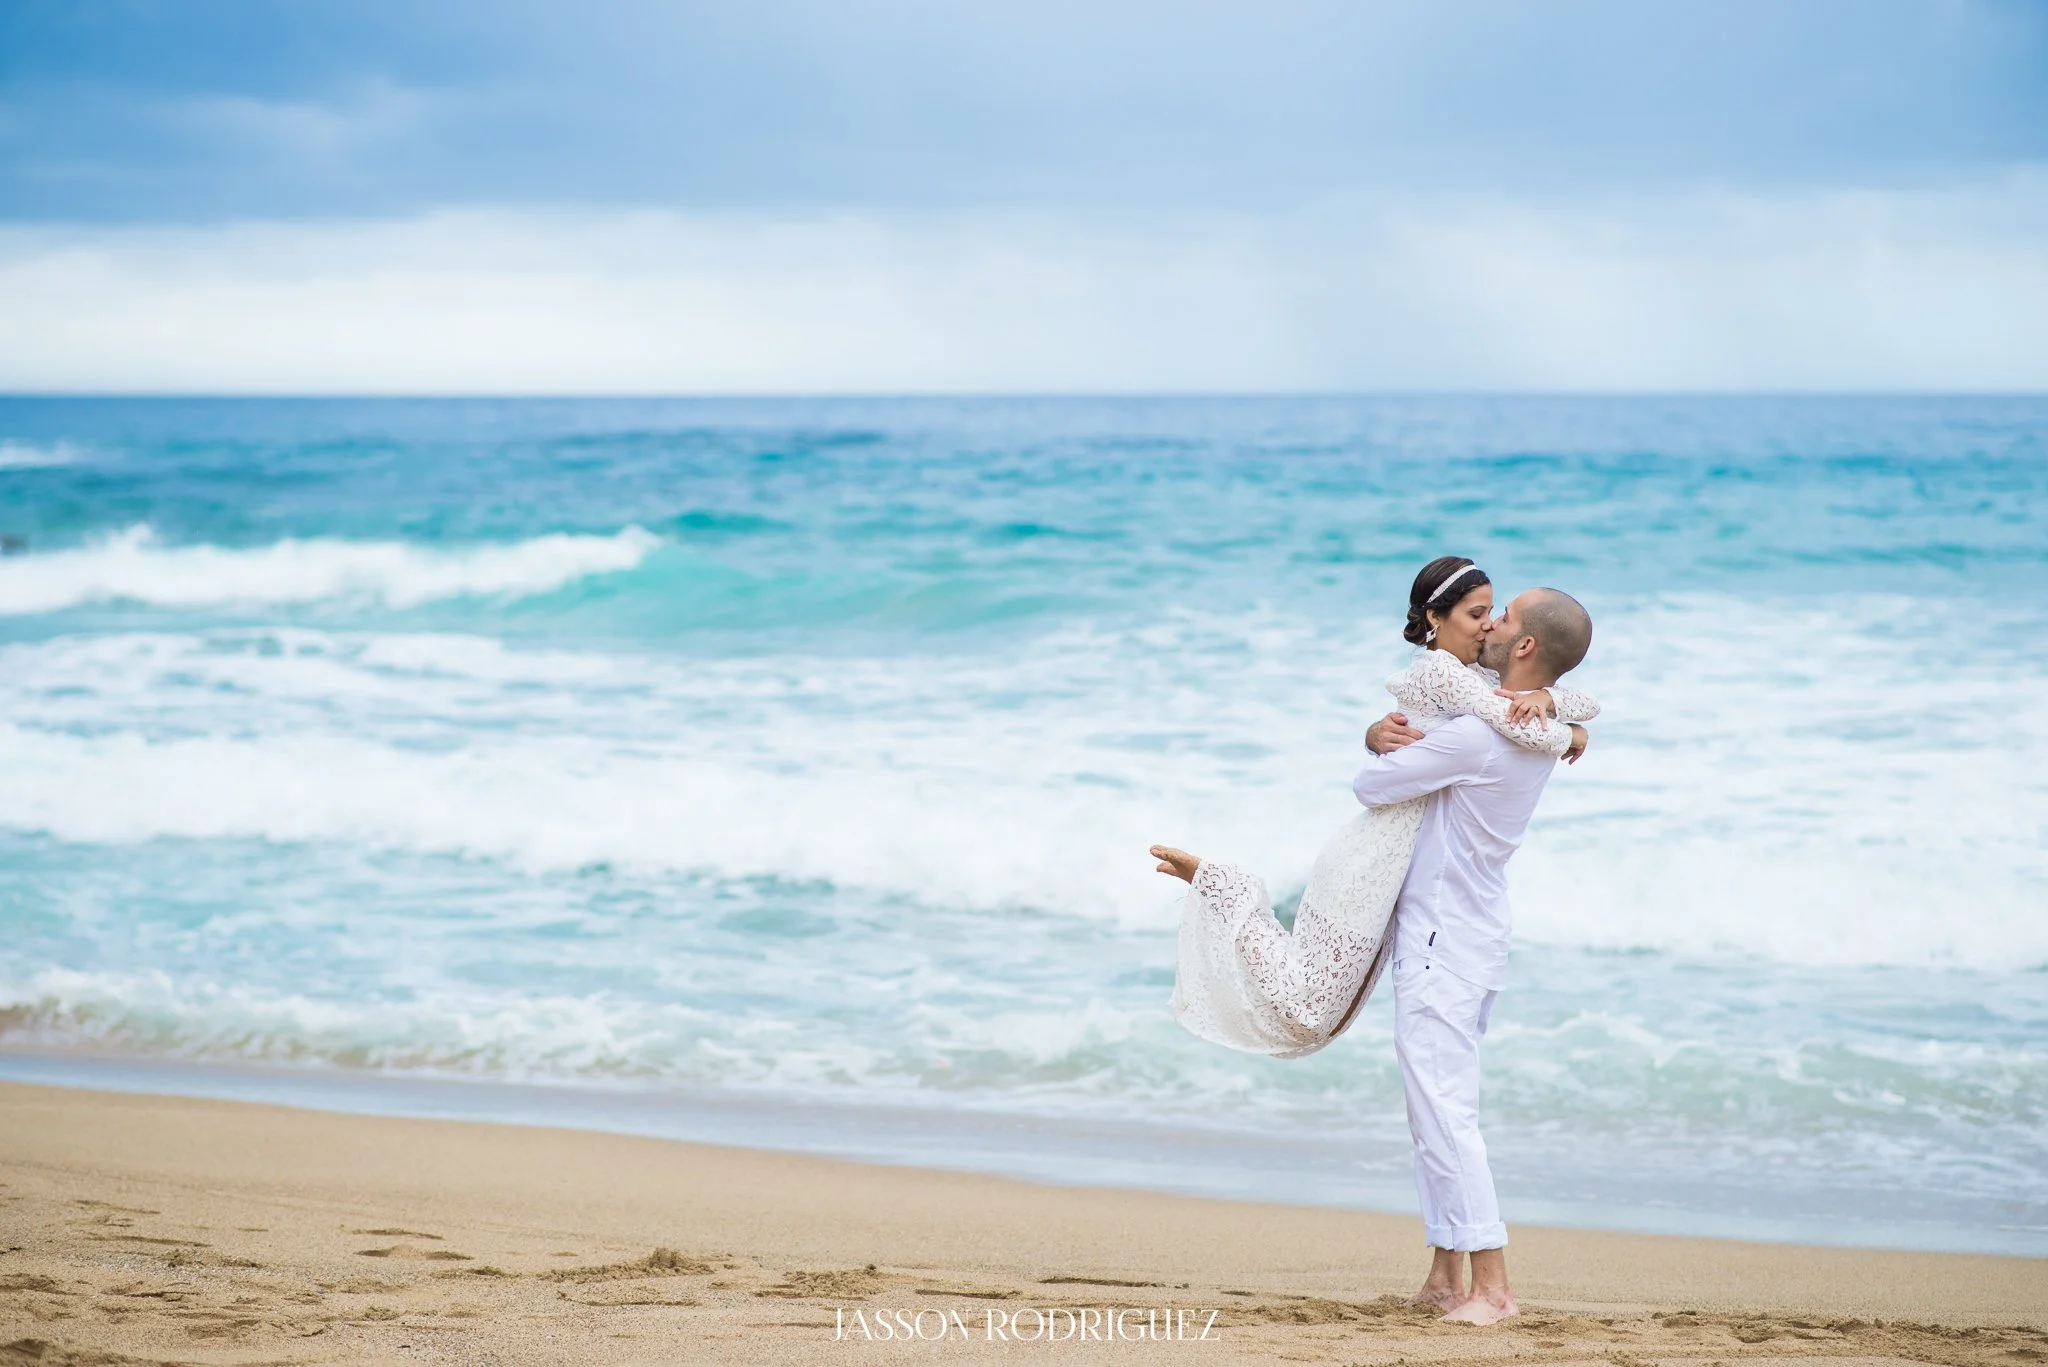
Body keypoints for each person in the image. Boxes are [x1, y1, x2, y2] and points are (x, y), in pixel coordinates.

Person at [1152, 558, 1595, 1060]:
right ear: (1436, 618)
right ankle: (1224, 886)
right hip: (1371, 855)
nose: (1489, 625)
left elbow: (1580, 698)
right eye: (1477, 614)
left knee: (1323, 1014)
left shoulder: (1474, 672)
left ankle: (1224, 889)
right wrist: (1568, 736)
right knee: (1311, 1013)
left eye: (1494, 614)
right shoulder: (1442, 673)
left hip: (1395, 862)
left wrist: (1551, 701)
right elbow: (1507, 719)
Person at [1352, 585, 1596, 1324]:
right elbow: (1572, 712)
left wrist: (1378, 737)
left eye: (1504, 616)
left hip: (1441, 941)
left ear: (1525, 646)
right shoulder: (1532, 725)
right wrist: (1560, 711)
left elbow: (1371, 785)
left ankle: (1492, 1287)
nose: (1490, 623)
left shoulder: (1476, 736)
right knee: (1436, 1108)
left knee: (1444, 1114)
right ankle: (1443, 1275)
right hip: (1477, 934)